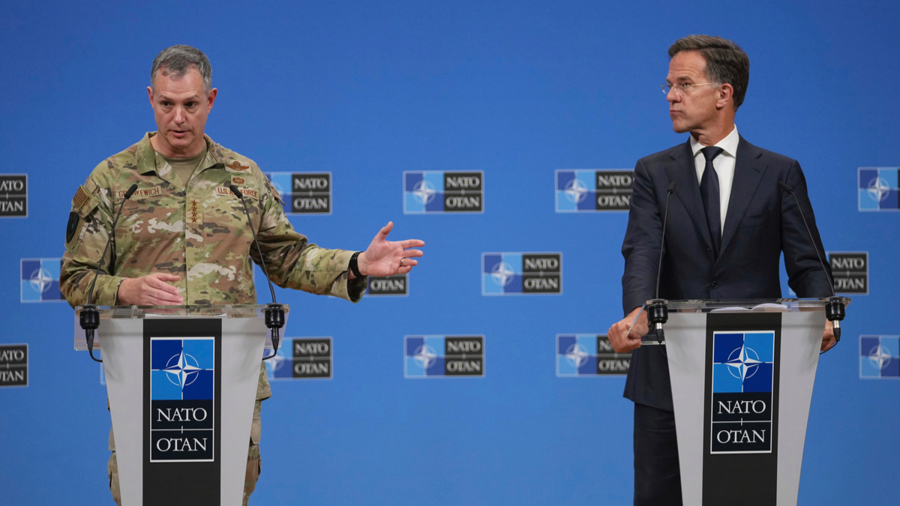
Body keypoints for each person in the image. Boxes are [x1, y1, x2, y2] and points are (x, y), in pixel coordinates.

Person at [60, 45, 424, 505]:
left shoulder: (243, 178)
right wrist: (125, 289)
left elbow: (287, 258)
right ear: (150, 98)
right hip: (148, 374)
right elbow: (74, 277)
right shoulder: (112, 179)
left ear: (211, 100)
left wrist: (356, 264)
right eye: (166, 104)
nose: (178, 118)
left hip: (227, 377)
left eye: (190, 104)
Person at [607, 35, 835, 505]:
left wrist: (825, 313)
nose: (671, 96)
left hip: (748, 371)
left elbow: (808, 260)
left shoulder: (778, 173)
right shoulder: (654, 172)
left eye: (684, 84)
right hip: (667, 370)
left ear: (723, 94)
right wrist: (636, 312)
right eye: (669, 86)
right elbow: (642, 251)